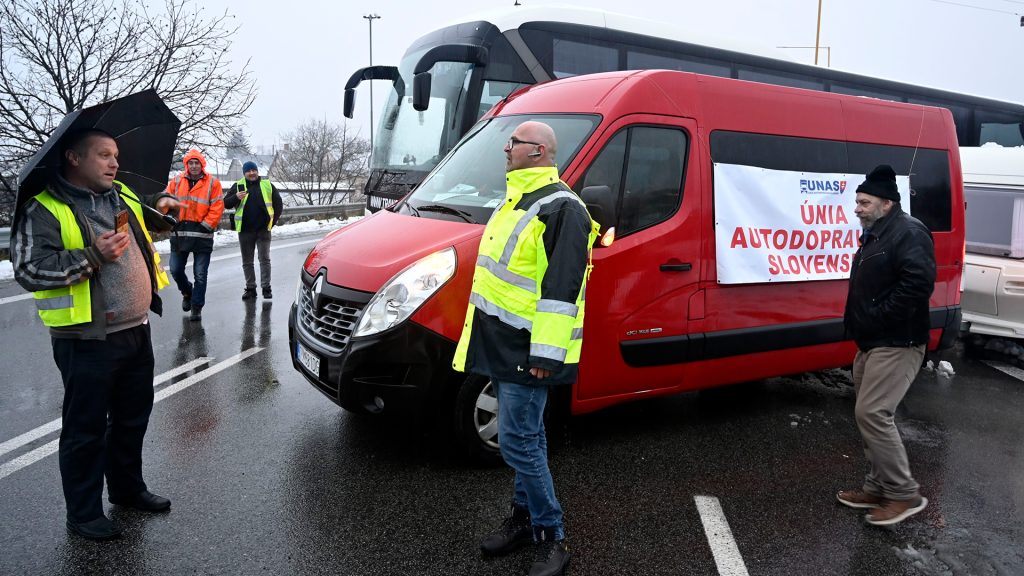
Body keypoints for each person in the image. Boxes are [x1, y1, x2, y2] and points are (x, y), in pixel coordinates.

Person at [11, 129, 179, 540]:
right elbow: (29, 270)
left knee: (131, 419)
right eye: (104, 155)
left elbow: (151, 227)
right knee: (85, 431)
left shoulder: (120, 194)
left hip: (136, 330)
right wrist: (92, 256)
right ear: (73, 158)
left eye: (116, 154)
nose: (114, 162)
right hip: (87, 340)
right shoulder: (44, 209)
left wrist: (164, 211)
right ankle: (83, 513)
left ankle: (126, 489)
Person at [453, 121, 598, 576]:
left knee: (519, 442)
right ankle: (523, 521)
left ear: (537, 151)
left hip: (526, 349)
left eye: (512, 143)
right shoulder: (518, 199)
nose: (505, 149)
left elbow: (563, 291)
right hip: (501, 340)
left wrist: (545, 356)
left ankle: (551, 536)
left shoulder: (562, 209)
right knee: (526, 437)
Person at [838, 164, 935, 526]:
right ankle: (877, 487)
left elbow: (917, 284)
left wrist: (879, 317)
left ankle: (903, 493)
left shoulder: (908, 233)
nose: (857, 208)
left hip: (897, 340)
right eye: (857, 201)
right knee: (868, 415)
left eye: (864, 202)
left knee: (873, 414)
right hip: (872, 341)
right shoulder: (878, 232)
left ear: (887, 203)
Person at [164, 149, 224, 321]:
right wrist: (168, 217)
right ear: (186, 165)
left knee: (200, 274)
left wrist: (206, 225)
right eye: (191, 163)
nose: (194, 166)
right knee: (175, 270)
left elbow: (217, 206)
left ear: (202, 164)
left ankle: (196, 307)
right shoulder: (176, 181)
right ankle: (187, 292)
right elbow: (166, 201)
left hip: (202, 235)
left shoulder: (213, 183)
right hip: (180, 234)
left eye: (197, 162)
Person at [223, 160, 282, 300]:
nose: (252, 173)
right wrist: (235, 197)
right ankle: (250, 288)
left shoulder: (267, 185)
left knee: (265, 260)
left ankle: (266, 288)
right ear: (244, 173)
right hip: (245, 231)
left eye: (253, 170)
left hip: (263, 230)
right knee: (247, 262)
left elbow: (278, 204)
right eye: (248, 171)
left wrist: (271, 223)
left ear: (257, 171)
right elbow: (225, 204)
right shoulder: (238, 186)